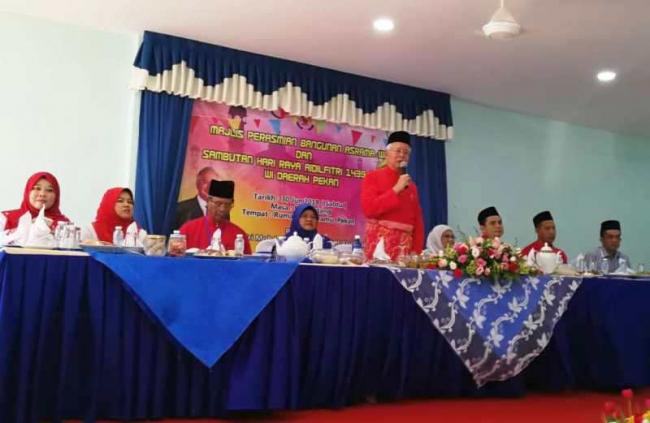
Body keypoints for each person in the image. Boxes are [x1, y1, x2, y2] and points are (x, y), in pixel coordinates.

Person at [360, 131, 424, 260]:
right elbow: (369, 209)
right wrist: (396, 189)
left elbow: (418, 222)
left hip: (404, 249)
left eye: (406, 153)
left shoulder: (411, 186)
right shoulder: (373, 177)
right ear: (387, 153)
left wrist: (416, 251)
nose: (402, 155)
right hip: (379, 245)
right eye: (398, 151)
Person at [179, 180, 251, 253]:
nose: (222, 209)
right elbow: (177, 256)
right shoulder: (188, 229)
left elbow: (247, 259)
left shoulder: (239, 235)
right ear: (208, 201)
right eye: (218, 204)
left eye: (227, 205)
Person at [1, 171, 70, 233]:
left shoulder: (65, 226)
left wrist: (51, 228)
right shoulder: (5, 219)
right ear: (27, 192)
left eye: (49, 190)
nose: (42, 194)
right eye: (37, 188)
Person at [81, 187, 146, 243]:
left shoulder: (139, 234)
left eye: (130, 202)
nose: (126, 205)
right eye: (120, 201)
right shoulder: (90, 231)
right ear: (109, 204)